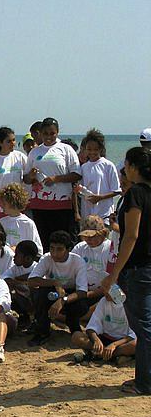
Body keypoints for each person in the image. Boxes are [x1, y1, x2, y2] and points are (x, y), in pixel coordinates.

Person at [101, 147, 151, 395]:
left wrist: (114, 273)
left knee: (143, 326)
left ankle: (145, 382)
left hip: (139, 268)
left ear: (133, 167)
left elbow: (131, 236)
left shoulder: (136, 195)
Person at [23, 118, 81, 250]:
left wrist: (56, 179)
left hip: (61, 205)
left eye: (52, 133)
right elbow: (26, 179)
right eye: (45, 133)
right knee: (44, 242)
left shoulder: (66, 149)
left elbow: (77, 174)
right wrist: (30, 176)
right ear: (40, 133)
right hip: (39, 205)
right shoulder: (35, 152)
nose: (49, 137)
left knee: (62, 242)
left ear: (57, 132)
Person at [27, 230, 88, 346]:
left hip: (71, 295)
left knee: (81, 304)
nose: (54, 253)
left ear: (68, 249)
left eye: (59, 249)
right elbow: (31, 281)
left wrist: (62, 300)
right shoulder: (47, 258)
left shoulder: (78, 262)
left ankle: (73, 324)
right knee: (41, 293)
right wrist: (55, 283)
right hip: (53, 292)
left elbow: (82, 292)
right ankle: (42, 331)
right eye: (52, 248)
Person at [71, 292, 136, 364]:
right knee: (76, 336)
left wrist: (114, 345)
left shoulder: (131, 304)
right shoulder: (103, 301)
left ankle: (97, 355)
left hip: (122, 342)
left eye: (107, 289)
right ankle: (113, 356)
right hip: (104, 339)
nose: (105, 293)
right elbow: (91, 327)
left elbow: (132, 335)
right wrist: (96, 340)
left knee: (135, 344)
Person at [0, 127, 29, 221]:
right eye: (8, 141)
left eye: (14, 140)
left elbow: (28, 176)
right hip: (0, 204)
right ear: (0, 142)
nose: (13, 143)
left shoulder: (20, 156)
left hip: (17, 202)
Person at [78, 128, 121, 220]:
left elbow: (117, 190)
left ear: (101, 149)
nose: (92, 152)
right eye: (89, 149)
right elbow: (81, 188)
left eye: (95, 149)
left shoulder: (108, 165)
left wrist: (100, 197)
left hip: (104, 212)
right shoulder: (83, 167)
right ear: (85, 149)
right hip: (87, 212)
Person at [72, 215, 111, 303]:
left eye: (92, 236)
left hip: (104, 294)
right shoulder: (80, 247)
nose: (88, 240)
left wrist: (88, 294)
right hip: (80, 291)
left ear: (102, 234)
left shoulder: (110, 249)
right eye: (86, 236)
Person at [1, 240, 39, 327]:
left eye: (17, 255)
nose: (14, 257)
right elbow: (4, 279)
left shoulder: (37, 267)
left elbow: (36, 282)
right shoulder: (15, 268)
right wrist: (20, 282)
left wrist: (19, 282)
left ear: (28, 258)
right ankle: (23, 316)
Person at [0, 183, 42, 251]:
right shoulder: (1, 222)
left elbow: (37, 248)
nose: (1, 206)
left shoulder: (28, 223)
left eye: (4, 203)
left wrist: (18, 249)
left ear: (13, 202)